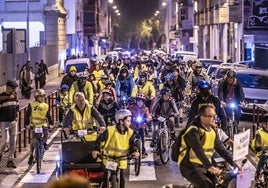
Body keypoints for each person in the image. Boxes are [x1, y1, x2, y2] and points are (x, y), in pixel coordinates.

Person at [179, 104, 241, 188]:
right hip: (189, 166)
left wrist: (233, 163)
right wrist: (210, 167)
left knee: (220, 183)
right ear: (202, 117)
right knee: (206, 185)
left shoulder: (211, 132)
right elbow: (198, 151)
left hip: (204, 165)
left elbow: (221, 149)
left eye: (214, 116)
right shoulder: (193, 131)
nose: (214, 119)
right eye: (211, 116)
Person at [92, 109, 139, 188]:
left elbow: (132, 144)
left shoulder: (130, 133)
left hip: (121, 158)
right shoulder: (110, 130)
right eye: (128, 121)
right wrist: (96, 150)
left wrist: (135, 151)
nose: (130, 123)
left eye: (130, 121)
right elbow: (99, 140)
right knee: (104, 176)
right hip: (108, 157)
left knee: (122, 177)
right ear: (121, 121)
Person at [24, 89, 54, 165]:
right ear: (36, 97)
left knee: (46, 134)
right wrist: (26, 124)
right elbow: (27, 114)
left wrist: (51, 123)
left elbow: (48, 115)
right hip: (34, 125)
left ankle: (44, 144)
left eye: (43, 96)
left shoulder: (45, 105)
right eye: (40, 97)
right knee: (33, 141)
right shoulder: (31, 104)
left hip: (43, 124)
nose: (42, 98)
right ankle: (31, 154)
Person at [0, 80, 19, 168]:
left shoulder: (14, 95)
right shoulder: (1, 97)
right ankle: (0, 153)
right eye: (13, 88)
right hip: (4, 121)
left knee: (13, 142)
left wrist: (17, 116)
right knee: (5, 140)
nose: (14, 90)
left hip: (13, 121)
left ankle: (10, 160)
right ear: (8, 87)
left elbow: (17, 106)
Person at [129, 93, 152, 158]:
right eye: (138, 101)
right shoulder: (131, 107)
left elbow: (148, 115)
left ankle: (143, 151)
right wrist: (129, 118)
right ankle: (130, 151)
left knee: (142, 138)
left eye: (141, 101)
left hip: (141, 126)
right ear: (136, 101)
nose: (140, 102)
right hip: (132, 126)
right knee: (131, 139)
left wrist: (148, 118)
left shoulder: (145, 108)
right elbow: (128, 114)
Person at [253, 115, 268, 182]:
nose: (267, 125)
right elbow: (258, 147)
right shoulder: (259, 132)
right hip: (261, 153)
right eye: (265, 123)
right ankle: (257, 173)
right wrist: (265, 148)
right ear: (263, 124)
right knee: (264, 157)